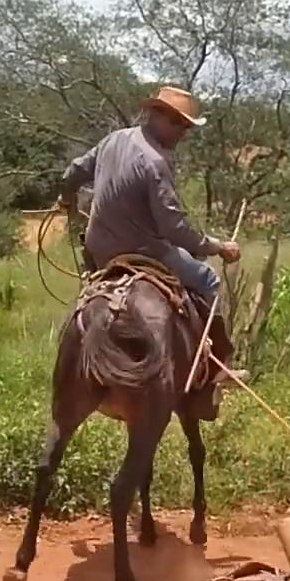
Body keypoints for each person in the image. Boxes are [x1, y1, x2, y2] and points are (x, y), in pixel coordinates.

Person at [58, 85, 242, 388]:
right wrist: (217, 247)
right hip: (146, 252)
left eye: (186, 126)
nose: (183, 132)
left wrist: (67, 200)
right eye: (179, 124)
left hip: (99, 251)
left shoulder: (112, 140)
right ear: (158, 117)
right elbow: (174, 228)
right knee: (208, 279)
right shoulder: (155, 162)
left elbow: (73, 172)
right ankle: (216, 363)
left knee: (92, 287)